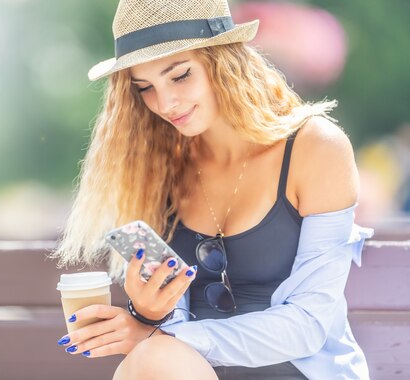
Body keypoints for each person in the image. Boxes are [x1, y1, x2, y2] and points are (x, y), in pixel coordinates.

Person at [50, 0, 373, 378]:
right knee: (153, 360)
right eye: (145, 87)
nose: (165, 102)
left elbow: (309, 325)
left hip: (301, 371)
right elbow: (174, 327)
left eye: (180, 75)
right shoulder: (159, 166)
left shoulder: (316, 148)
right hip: (194, 370)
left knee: (153, 359)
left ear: (222, 60)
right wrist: (151, 313)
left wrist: (160, 337)